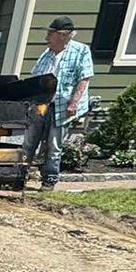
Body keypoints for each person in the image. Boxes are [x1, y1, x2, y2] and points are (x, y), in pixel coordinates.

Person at [23, 14, 94, 190]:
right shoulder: (46, 54)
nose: (47, 37)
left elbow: (84, 79)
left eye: (51, 34)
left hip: (62, 105)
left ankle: (49, 180)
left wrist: (74, 103)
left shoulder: (80, 51)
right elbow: (36, 78)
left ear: (63, 35)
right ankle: (20, 176)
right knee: (29, 143)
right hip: (41, 104)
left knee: (54, 146)